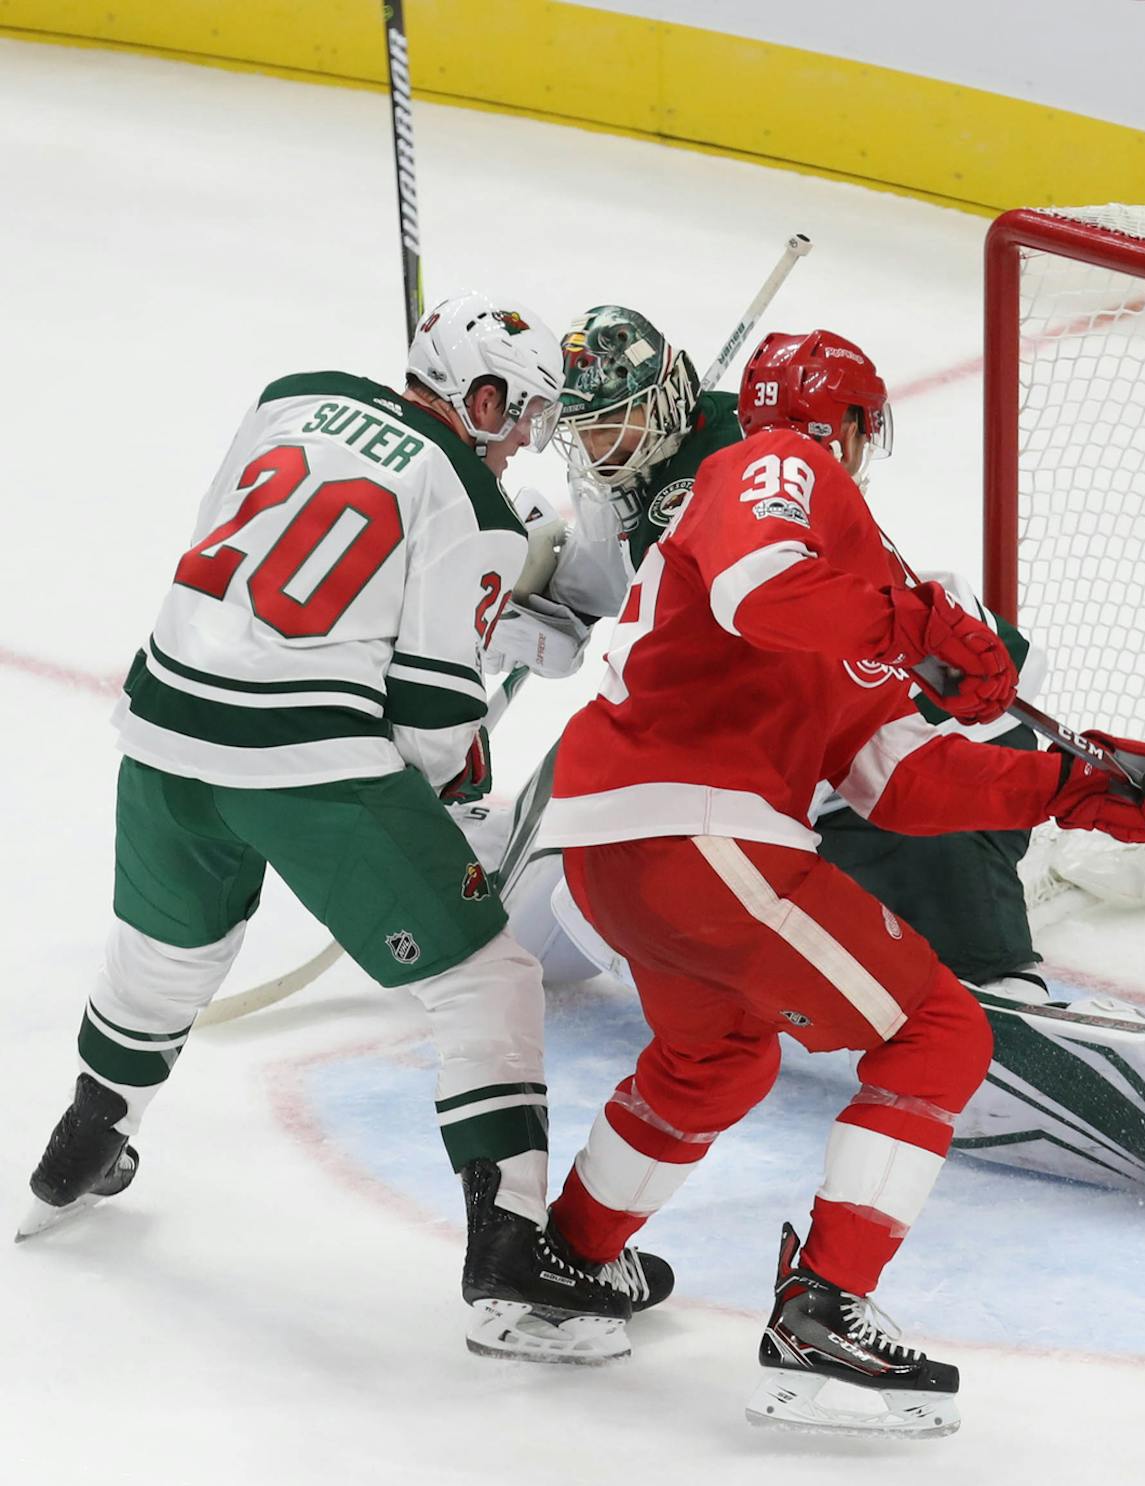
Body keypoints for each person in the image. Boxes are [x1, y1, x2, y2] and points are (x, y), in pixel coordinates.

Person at [480, 306, 1145, 1230]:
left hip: (752, 803)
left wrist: (1070, 784)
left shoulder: (778, 501)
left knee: (948, 1019)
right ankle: (591, 1250)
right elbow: (795, 650)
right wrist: (1063, 774)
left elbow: (881, 750)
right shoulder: (798, 512)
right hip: (756, 797)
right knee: (938, 1017)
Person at [520, 325, 1145, 1437]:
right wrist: (916, 620)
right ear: (849, 422)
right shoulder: (774, 466)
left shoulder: (848, 581)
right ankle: (824, 1319)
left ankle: (567, 1260)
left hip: (615, 853)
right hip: (701, 835)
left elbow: (899, 779)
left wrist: (1073, 786)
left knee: (716, 1062)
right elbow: (756, 589)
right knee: (939, 1032)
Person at [19, 293, 671, 1366]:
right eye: (525, 418)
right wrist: (459, 727)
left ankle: (81, 1147)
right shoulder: (476, 502)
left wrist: (478, 601)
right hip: (309, 764)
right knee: (484, 978)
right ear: (487, 395)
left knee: (166, 955)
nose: (527, 444)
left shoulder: (285, 404)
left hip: (162, 726)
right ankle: (510, 1259)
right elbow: (424, 722)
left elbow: (281, 575)